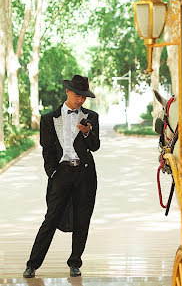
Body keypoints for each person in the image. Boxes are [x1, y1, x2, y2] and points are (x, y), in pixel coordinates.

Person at [23, 75, 100, 278]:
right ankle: (32, 263)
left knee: (83, 220)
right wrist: (53, 172)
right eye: (78, 95)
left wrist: (86, 133)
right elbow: (47, 150)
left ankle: (75, 262)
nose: (81, 100)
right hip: (61, 174)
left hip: (85, 174)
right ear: (67, 92)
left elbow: (95, 146)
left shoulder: (91, 117)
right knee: (51, 219)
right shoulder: (48, 119)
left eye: (84, 97)